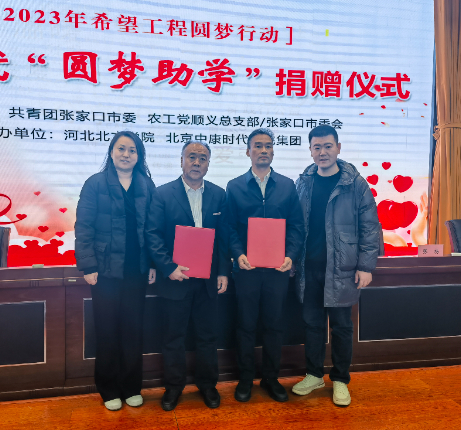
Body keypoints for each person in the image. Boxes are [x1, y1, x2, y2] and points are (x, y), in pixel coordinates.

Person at [292, 125, 380, 406]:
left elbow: (370, 227)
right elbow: (295, 225)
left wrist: (366, 266)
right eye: (316, 147)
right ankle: (314, 375)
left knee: (341, 327)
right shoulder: (303, 182)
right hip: (309, 268)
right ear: (310, 150)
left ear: (338, 148)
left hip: (342, 268)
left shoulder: (355, 184)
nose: (322, 152)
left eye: (328, 146)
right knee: (312, 325)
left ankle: (340, 379)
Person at [74, 131, 156, 411]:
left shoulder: (146, 185)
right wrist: (88, 265)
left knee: (133, 330)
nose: (126, 154)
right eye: (121, 149)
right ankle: (108, 389)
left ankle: (131, 387)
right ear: (111, 152)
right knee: (107, 330)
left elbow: (152, 229)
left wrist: (152, 264)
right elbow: (84, 227)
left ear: (139, 156)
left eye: (132, 150)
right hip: (104, 271)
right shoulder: (95, 184)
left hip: (136, 270)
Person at [146, 140, 230, 411]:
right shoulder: (162, 194)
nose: (197, 162)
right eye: (191, 157)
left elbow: (224, 238)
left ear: (208, 164)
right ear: (181, 160)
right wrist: (168, 267)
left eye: (202, 158)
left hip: (208, 280)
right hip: (175, 279)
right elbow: (153, 235)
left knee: (207, 336)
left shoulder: (219, 194)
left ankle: (208, 385)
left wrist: (223, 272)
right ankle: (173, 387)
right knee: (174, 337)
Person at [226, 128, 304, 403]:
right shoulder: (235, 186)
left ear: (273, 151)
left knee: (274, 325)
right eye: (257, 146)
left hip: (277, 270)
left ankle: (271, 378)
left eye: (268, 146)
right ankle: (246, 379)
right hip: (246, 270)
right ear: (248, 151)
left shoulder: (287, 185)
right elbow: (229, 228)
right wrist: (237, 254)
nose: (263, 150)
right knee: (245, 325)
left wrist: (291, 255)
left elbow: (296, 226)